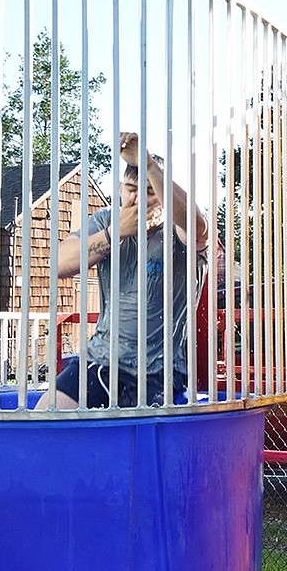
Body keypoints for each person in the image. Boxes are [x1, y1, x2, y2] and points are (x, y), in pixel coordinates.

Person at [39, 131, 210, 409]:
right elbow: (58, 264)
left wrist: (150, 165)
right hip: (100, 359)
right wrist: (113, 233)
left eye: (151, 191)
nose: (140, 199)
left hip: (159, 371)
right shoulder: (108, 220)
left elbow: (196, 224)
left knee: (136, 438)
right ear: (120, 190)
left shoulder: (177, 229)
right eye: (132, 190)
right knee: (46, 413)